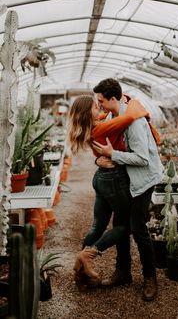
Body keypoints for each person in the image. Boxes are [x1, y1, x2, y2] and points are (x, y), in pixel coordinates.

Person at [92, 78, 164, 301]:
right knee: (120, 224)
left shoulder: (133, 122)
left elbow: (142, 159)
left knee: (137, 227)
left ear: (113, 98)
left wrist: (111, 155)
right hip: (127, 179)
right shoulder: (114, 117)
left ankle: (150, 278)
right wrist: (101, 160)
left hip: (143, 180)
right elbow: (107, 149)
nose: (99, 105)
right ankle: (123, 272)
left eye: (101, 101)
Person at [68, 94, 149, 288]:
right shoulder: (102, 127)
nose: (101, 109)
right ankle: (88, 255)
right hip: (114, 180)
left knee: (97, 226)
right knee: (126, 226)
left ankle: (80, 273)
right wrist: (135, 104)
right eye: (96, 107)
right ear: (89, 113)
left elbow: (111, 115)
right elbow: (129, 117)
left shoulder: (91, 127)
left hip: (101, 177)